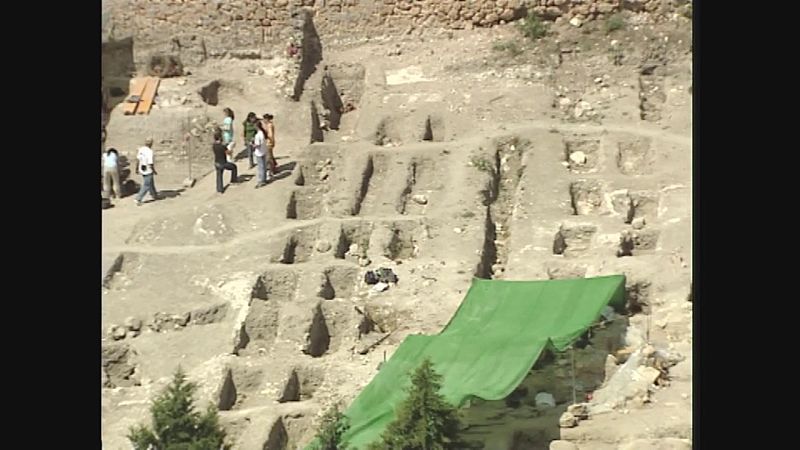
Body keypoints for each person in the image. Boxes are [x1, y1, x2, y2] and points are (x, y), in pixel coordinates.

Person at [135, 138, 158, 205]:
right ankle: (138, 199)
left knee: (151, 182)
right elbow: (150, 163)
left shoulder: (141, 149)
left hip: (141, 168)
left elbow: (138, 160)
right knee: (147, 184)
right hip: (148, 169)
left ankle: (154, 195)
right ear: (151, 144)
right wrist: (153, 170)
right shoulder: (150, 151)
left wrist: (136, 168)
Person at [253, 119, 271, 188]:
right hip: (264, 151)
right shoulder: (262, 133)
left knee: (260, 167)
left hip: (259, 152)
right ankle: (264, 179)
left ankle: (261, 181)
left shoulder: (257, 135)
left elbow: (257, 145)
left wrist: (253, 145)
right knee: (264, 166)